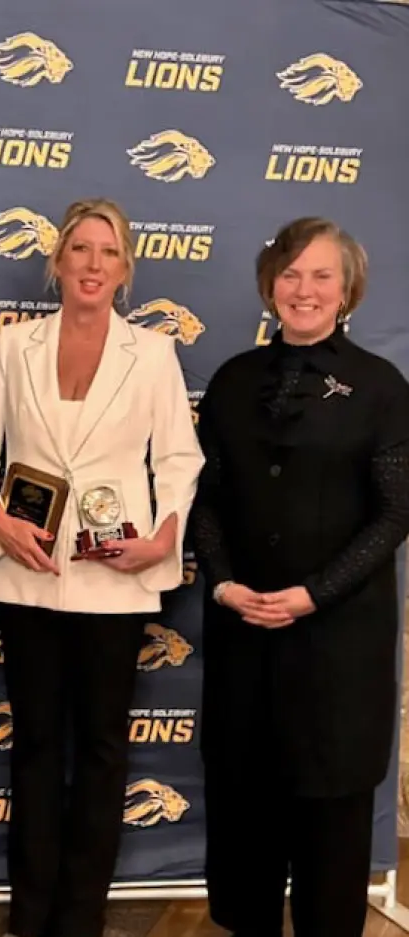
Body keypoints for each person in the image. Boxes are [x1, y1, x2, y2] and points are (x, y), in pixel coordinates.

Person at [0, 198, 204, 937]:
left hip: (114, 577)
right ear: (57, 263)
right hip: (26, 571)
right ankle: (28, 913)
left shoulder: (153, 354)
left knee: (100, 752)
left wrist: (164, 539)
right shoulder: (13, 346)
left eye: (108, 252)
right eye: (81, 250)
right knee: (34, 748)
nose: (93, 264)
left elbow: (179, 458)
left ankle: (81, 917)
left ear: (125, 270)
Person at [190, 217, 409, 937]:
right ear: (268, 285)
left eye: (321, 275)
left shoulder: (381, 387)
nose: (303, 289)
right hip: (244, 637)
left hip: (341, 649)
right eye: (290, 274)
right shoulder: (230, 380)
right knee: (245, 823)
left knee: (332, 834)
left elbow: (394, 514)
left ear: (346, 289)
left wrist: (317, 592)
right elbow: (206, 497)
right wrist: (220, 582)